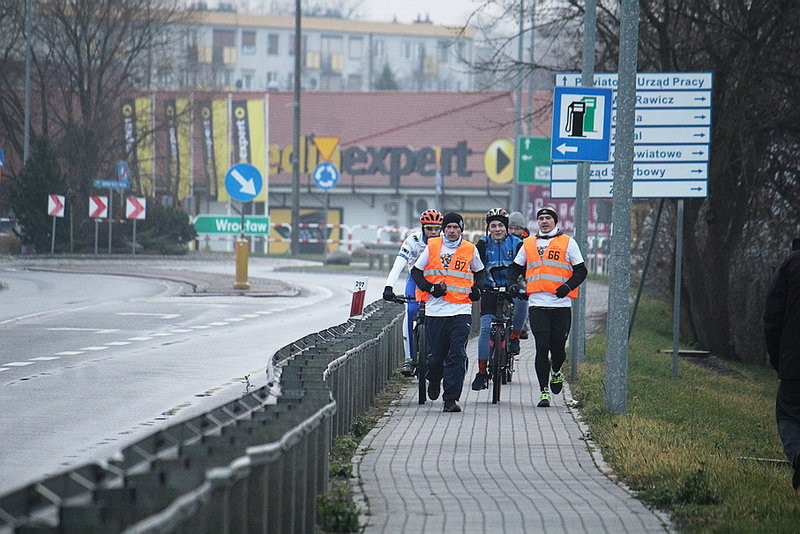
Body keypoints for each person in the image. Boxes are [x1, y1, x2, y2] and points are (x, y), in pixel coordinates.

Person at [507, 205, 588, 408]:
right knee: (541, 347)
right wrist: (513, 284)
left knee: (558, 349)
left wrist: (567, 286)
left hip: (561, 304)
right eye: (540, 218)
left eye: (547, 218)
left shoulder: (568, 243)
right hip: (537, 304)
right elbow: (515, 268)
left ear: (555, 221)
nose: (544, 221)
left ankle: (557, 371)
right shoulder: (528, 244)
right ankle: (544, 392)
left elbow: (581, 271)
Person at [411, 212, 484, 413]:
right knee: (436, 358)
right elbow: (416, 272)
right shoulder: (433, 246)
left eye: (456, 228)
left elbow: (480, 271)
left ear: (461, 230)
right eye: (449, 228)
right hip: (436, 311)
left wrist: (477, 288)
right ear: (444, 229)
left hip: (461, 310)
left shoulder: (470, 249)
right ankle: (433, 379)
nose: (452, 231)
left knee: (457, 354)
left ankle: (451, 399)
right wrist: (431, 288)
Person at [383, 209, 443, 376]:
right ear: (422, 228)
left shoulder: (445, 242)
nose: (433, 232)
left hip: (436, 281)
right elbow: (398, 264)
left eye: (437, 228)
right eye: (429, 228)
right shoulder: (413, 241)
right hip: (415, 281)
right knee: (410, 311)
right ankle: (409, 359)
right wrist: (389, 287)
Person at [471, 208, 525, 391]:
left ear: (506, 227)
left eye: (500, 225)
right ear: (488, 228)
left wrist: (522, 284)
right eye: (493, 226)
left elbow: (524, 267)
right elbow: (474, 267)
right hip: (489, 289)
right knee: (486, 328)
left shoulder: (517, 243)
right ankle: (481, 372)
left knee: (523, 302)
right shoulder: (483, 244)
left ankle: (515, 336)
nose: (497, 229)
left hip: (512, 287)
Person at [764, 238, 800, 490]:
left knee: (788, 413)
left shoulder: (792, 265)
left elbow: (773, 318)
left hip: (795, 361)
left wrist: (780, 360)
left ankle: (798, 456)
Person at [508, 211, 531, 340]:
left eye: (516, 229)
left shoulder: (526, 243)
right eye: (510, 228)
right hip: (504, 278)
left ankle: (520, 328)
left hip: (519, 277)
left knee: (523, 298)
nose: (512, 231)